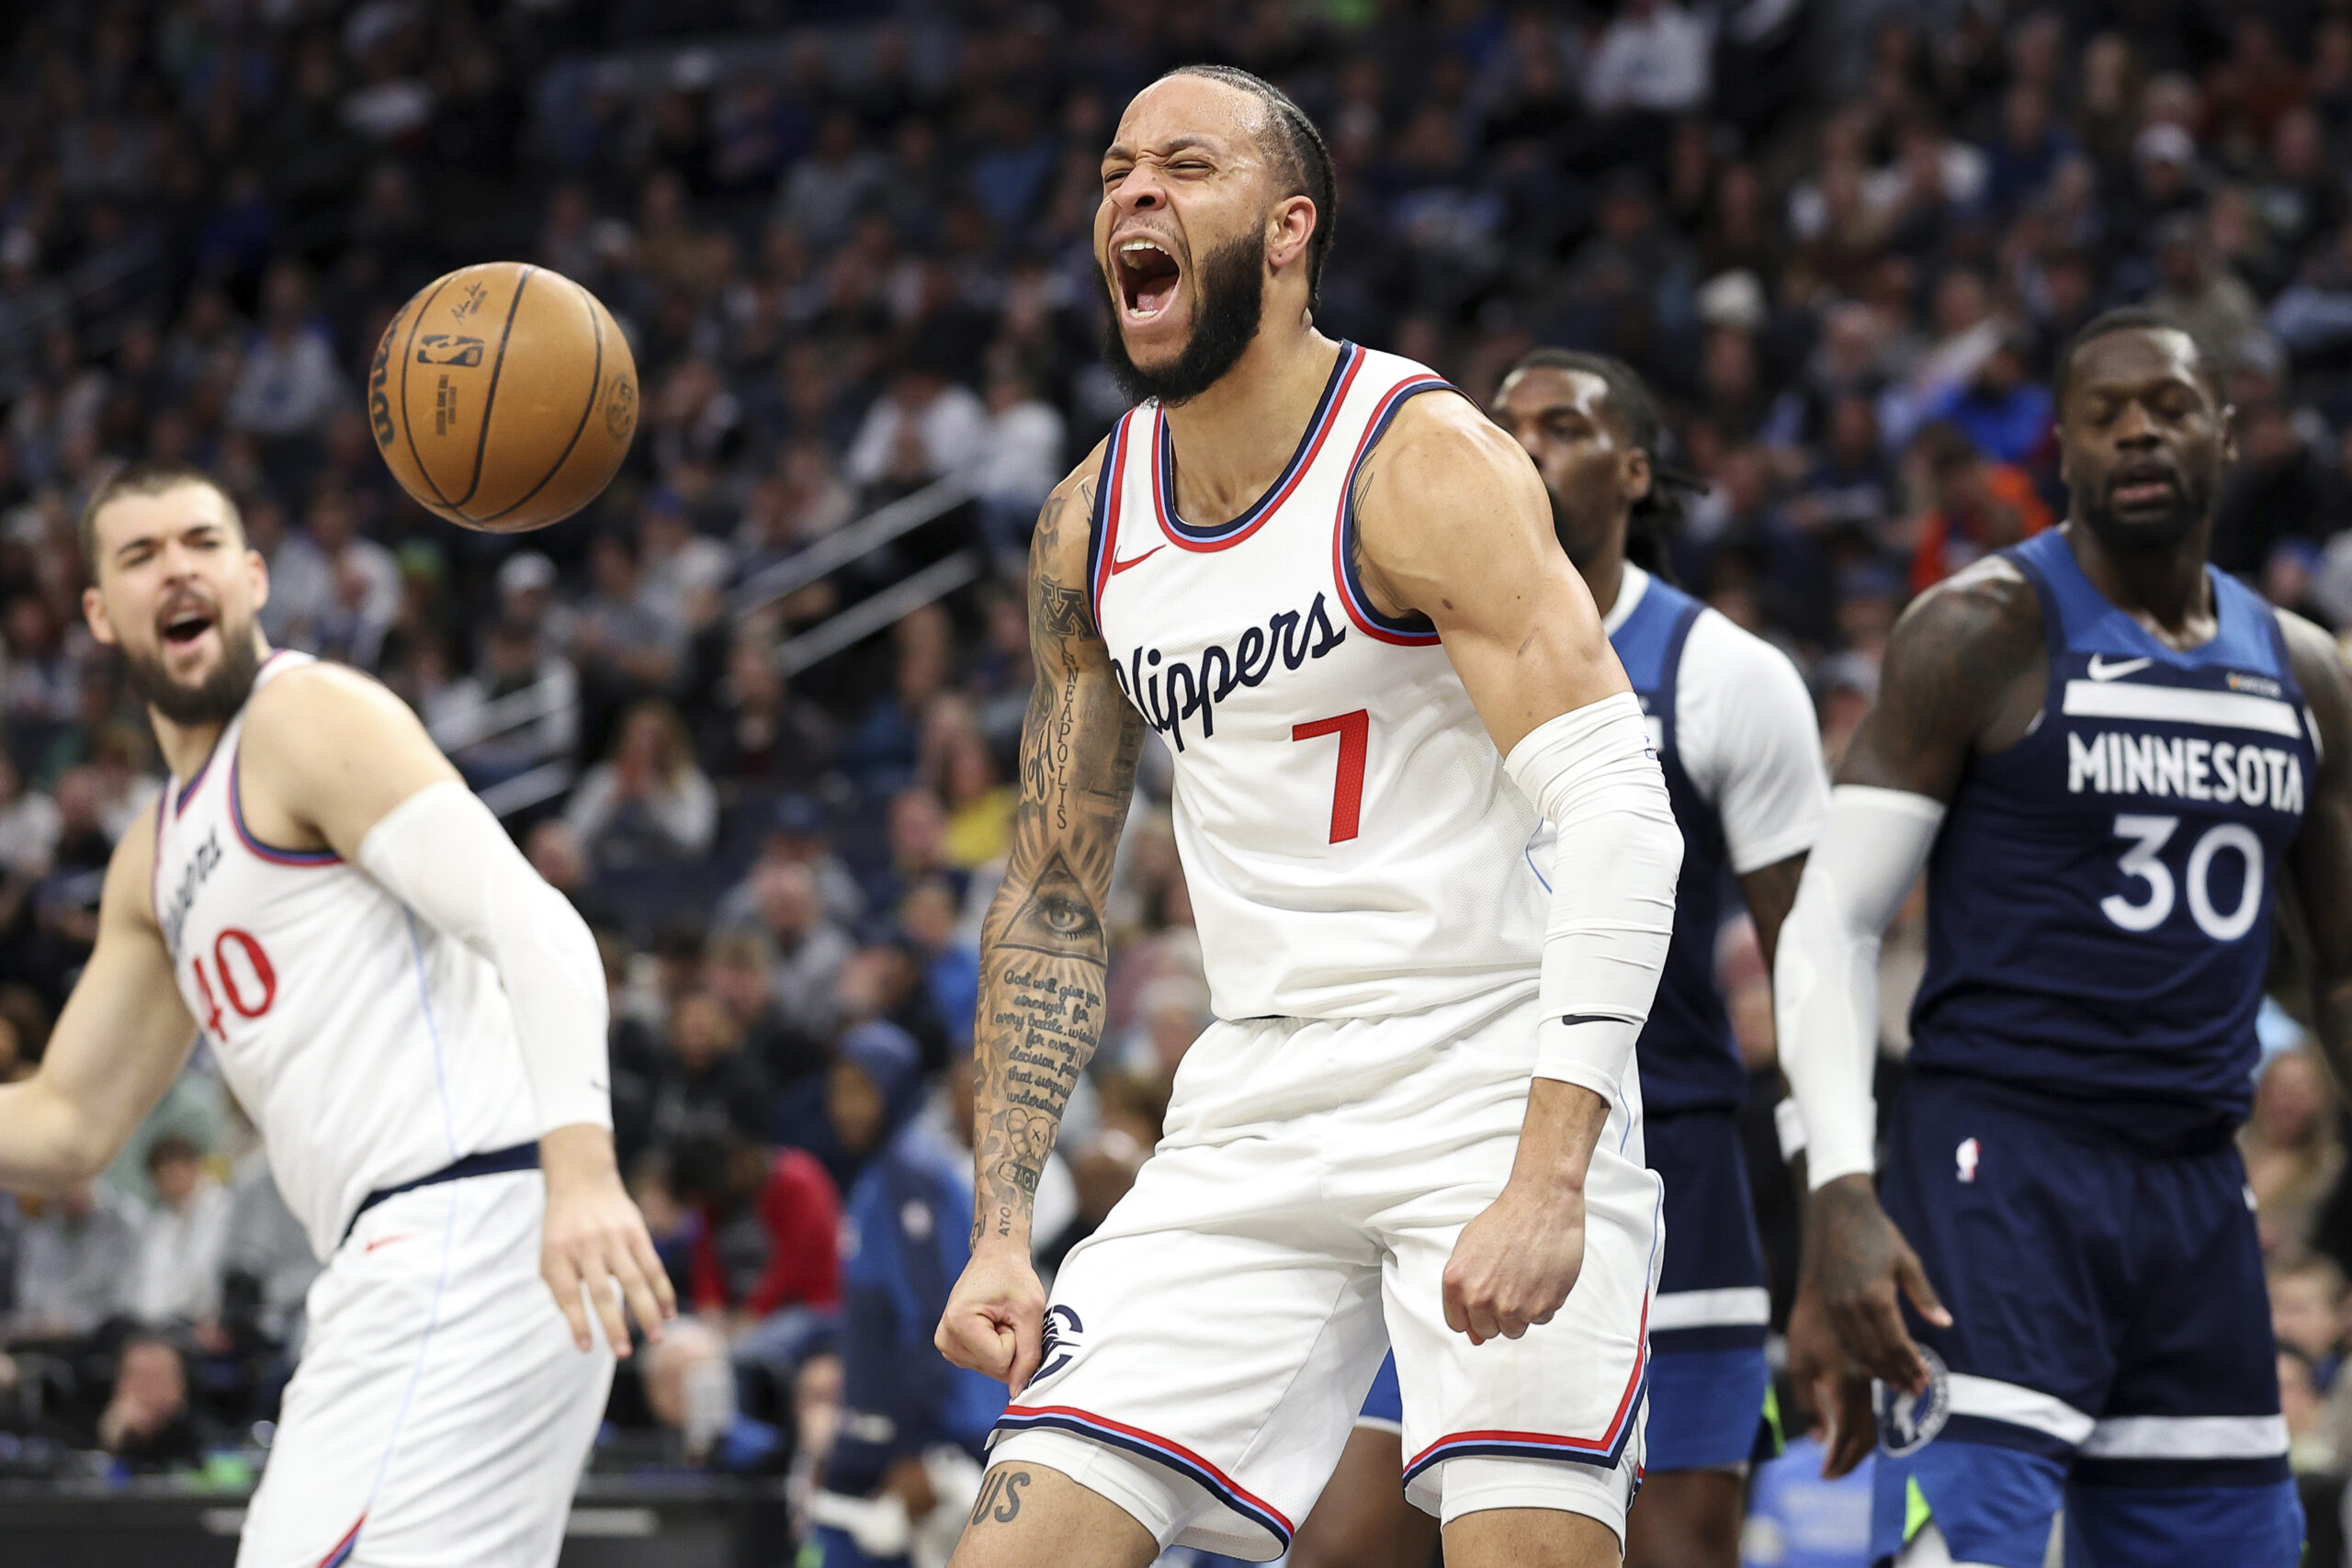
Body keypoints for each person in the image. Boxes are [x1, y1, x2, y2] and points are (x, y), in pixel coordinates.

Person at [933, 68, 1683, 1568]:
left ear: (1287, 231)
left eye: (1184, 168)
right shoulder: (1090, 520)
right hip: (1253, 1107)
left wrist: (1549, 1177)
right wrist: (1002, 1224)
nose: (1133, 195)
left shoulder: (1421, 459)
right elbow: (1057, 890)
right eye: (1115, 169)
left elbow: (1621, 808)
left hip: (1486, 1078)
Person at [0, 462, 675, 1566]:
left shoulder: (307, 717)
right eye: (140, 554)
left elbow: (534, 923)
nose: (177, 567)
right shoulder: (153, 854)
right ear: (99, 616)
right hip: (394, 1255)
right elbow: (66, 1125)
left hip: (477, 1216)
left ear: (253, 577)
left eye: (202, 543)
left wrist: (585, 1171)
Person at [1777, 310, 2352, 1567]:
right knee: (1963, 1549)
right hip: (2000, 1166)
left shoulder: (2304, 673)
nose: (2138, 427)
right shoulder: (1982, 629)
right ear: (2065, 447)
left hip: (2201, 1183)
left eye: (2169, 404)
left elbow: (2342, 965)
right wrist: (1838, 1183)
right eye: (2104, 411)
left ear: (2230, 431)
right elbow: (1833, 916)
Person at [1292, 351, 1829, 1568]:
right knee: (1347, 1541)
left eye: (1564, 425)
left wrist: (1836, 1197)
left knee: (1675, 1549)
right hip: (1451, 1138)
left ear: (1634, 471)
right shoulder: (1401, 649)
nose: (1522, 443)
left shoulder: (1727, 673)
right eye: (1505, 423)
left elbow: (1813, 964)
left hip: (1673, 1150)